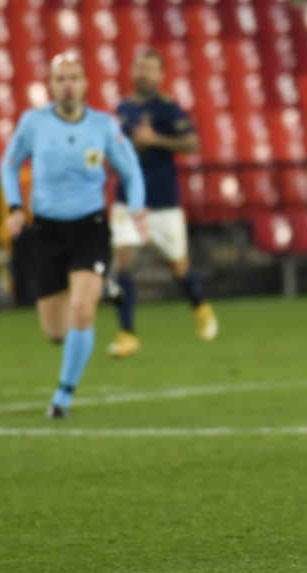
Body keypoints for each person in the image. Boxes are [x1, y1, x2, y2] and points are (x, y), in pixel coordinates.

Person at [0, 52, 148, 419]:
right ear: (50, 85)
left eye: (74, 78)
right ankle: (105, 290)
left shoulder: (102, 125)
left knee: (82, 312)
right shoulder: (33, 123)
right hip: (47, 232)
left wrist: (138, 209)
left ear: (86, 84)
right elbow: (9, 163)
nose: (67, 85)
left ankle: (63, 397)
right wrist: (16, 207)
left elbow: (130, 171)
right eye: (60, 79)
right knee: (56, 332)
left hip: (90, 228)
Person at [105, 47, 218, 358]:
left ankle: (199, 305)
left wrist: (157, 141)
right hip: (128, 202)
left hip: (163, 201)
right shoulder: (123, 109)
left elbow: (192, 143)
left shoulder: (170, 110)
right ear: (131, 71)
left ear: (161, 75)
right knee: (123, 262)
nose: (143, 73)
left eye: (150, 69)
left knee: (177, 266)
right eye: (139, 67)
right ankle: (127, 333)